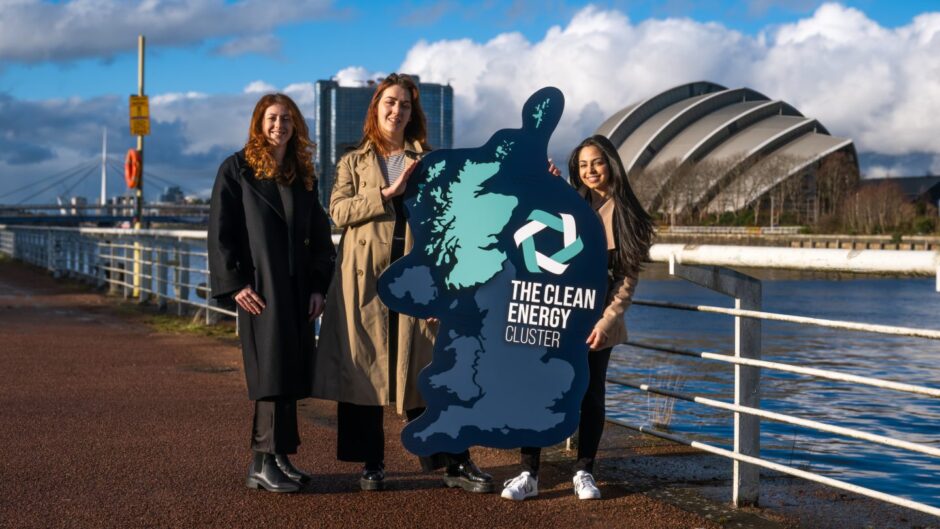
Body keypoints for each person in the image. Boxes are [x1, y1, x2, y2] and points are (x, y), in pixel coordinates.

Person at [312, 73, 493, 493]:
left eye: (405, 105)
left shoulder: (429, 161)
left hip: (416, 278)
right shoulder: (352, 161)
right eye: (390, 102)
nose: (397, 111)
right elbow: (337, 212)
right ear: (375, 107)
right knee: (365, 371)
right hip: (364, 282)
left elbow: (450, 225)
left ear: (414, 114)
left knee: (428, 370)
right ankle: (371, 463)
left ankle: (454, 461)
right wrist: (386, 192)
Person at [500, 134, 654, 501]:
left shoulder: (628, 216)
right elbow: (530, 225)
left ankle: (584, 471)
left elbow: (626, 280)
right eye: (582, 165)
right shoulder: (569, 203)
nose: (590, 171)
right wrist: (549, 185)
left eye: (596, 162)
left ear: (611, 163)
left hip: (596, 320)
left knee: (590, 393)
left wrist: (607, 322)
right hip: (557, 311)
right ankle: (528, 472)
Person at [208, 93, 335, 493]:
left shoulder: (302, 174)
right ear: (259, 123)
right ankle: (260, 463)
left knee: (291, 373)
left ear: (296, 125)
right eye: (272, 118)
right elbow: (221, 233)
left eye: (287, 119)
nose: (279, 125)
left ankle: (280, 456)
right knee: (271, 374)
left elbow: (320, 236)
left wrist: (318, 286)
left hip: (297, 289)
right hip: (261, 289)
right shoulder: (237, 169)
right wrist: (235, 285)